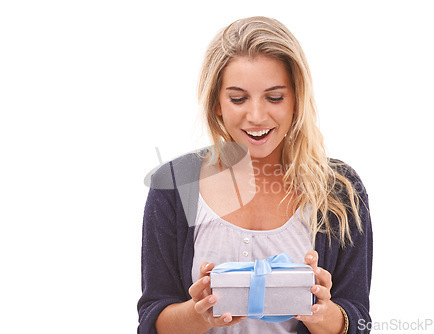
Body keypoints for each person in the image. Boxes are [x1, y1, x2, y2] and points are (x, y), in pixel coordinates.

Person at [137, 16, 373, 334]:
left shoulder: (340, 190)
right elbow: (152, 318)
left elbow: (358, 320)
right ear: (217, 103)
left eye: (274, 97)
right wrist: (198, 315)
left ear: (296, 100)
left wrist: (321, 313)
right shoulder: (177, 183)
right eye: (238, 98)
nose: (257, 116)